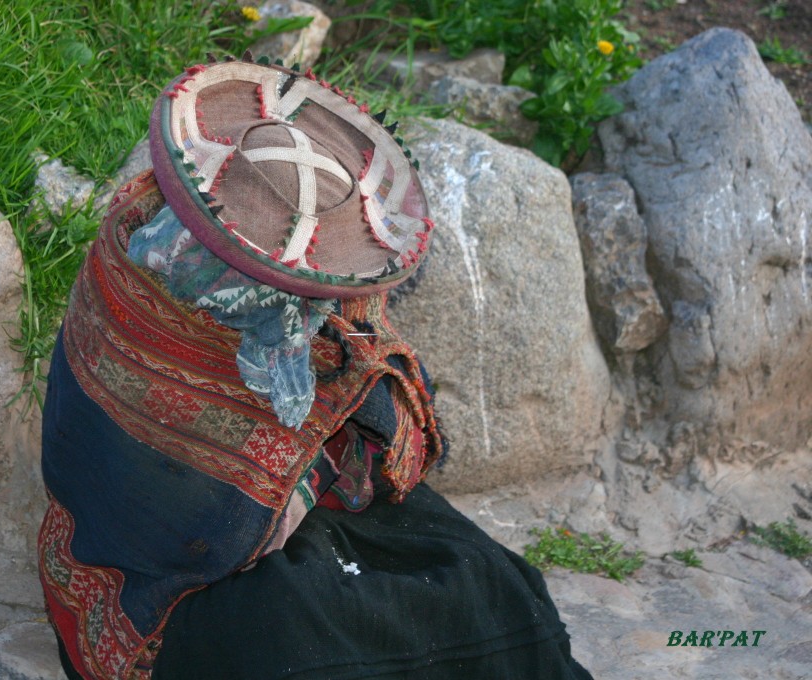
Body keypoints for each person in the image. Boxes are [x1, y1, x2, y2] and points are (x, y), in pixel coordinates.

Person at [38, 55, 592, 680]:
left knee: (489, 582)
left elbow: (394, 432)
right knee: (309, 646)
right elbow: (191, 518)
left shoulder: (331, 305)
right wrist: (300, 483)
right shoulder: (141, 280)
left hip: (305, 508)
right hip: (158, 585)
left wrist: (308, 477)